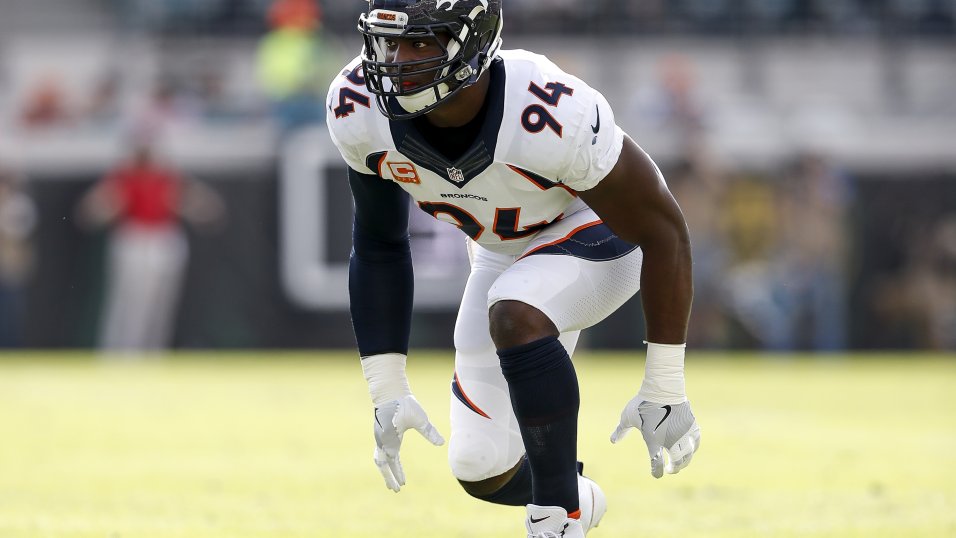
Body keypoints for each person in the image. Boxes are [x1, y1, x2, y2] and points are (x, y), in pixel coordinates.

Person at [325, 2, 701, 536]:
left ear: (471, 44)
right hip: (502, 248)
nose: (398, 60)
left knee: (515, 311)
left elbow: (665, 229)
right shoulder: (358, 106)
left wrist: (665, 383)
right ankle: (577, 500)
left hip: (599, 228)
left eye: (421, 43)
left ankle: (555, 517)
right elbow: (380, 244)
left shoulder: (545, 109)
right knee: (480, 467)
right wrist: (387, 388)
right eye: (390, 42)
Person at [76, 144, 225, 354]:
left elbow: (205, 206)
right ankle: (119, 353)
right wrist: (105, 206)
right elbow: (92, 209)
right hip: (134, 239)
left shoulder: (168, 178)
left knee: (160, 304)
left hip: (163, 240)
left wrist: (198, 207)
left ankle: (152, 352)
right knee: (129, 303)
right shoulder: (124, 177)